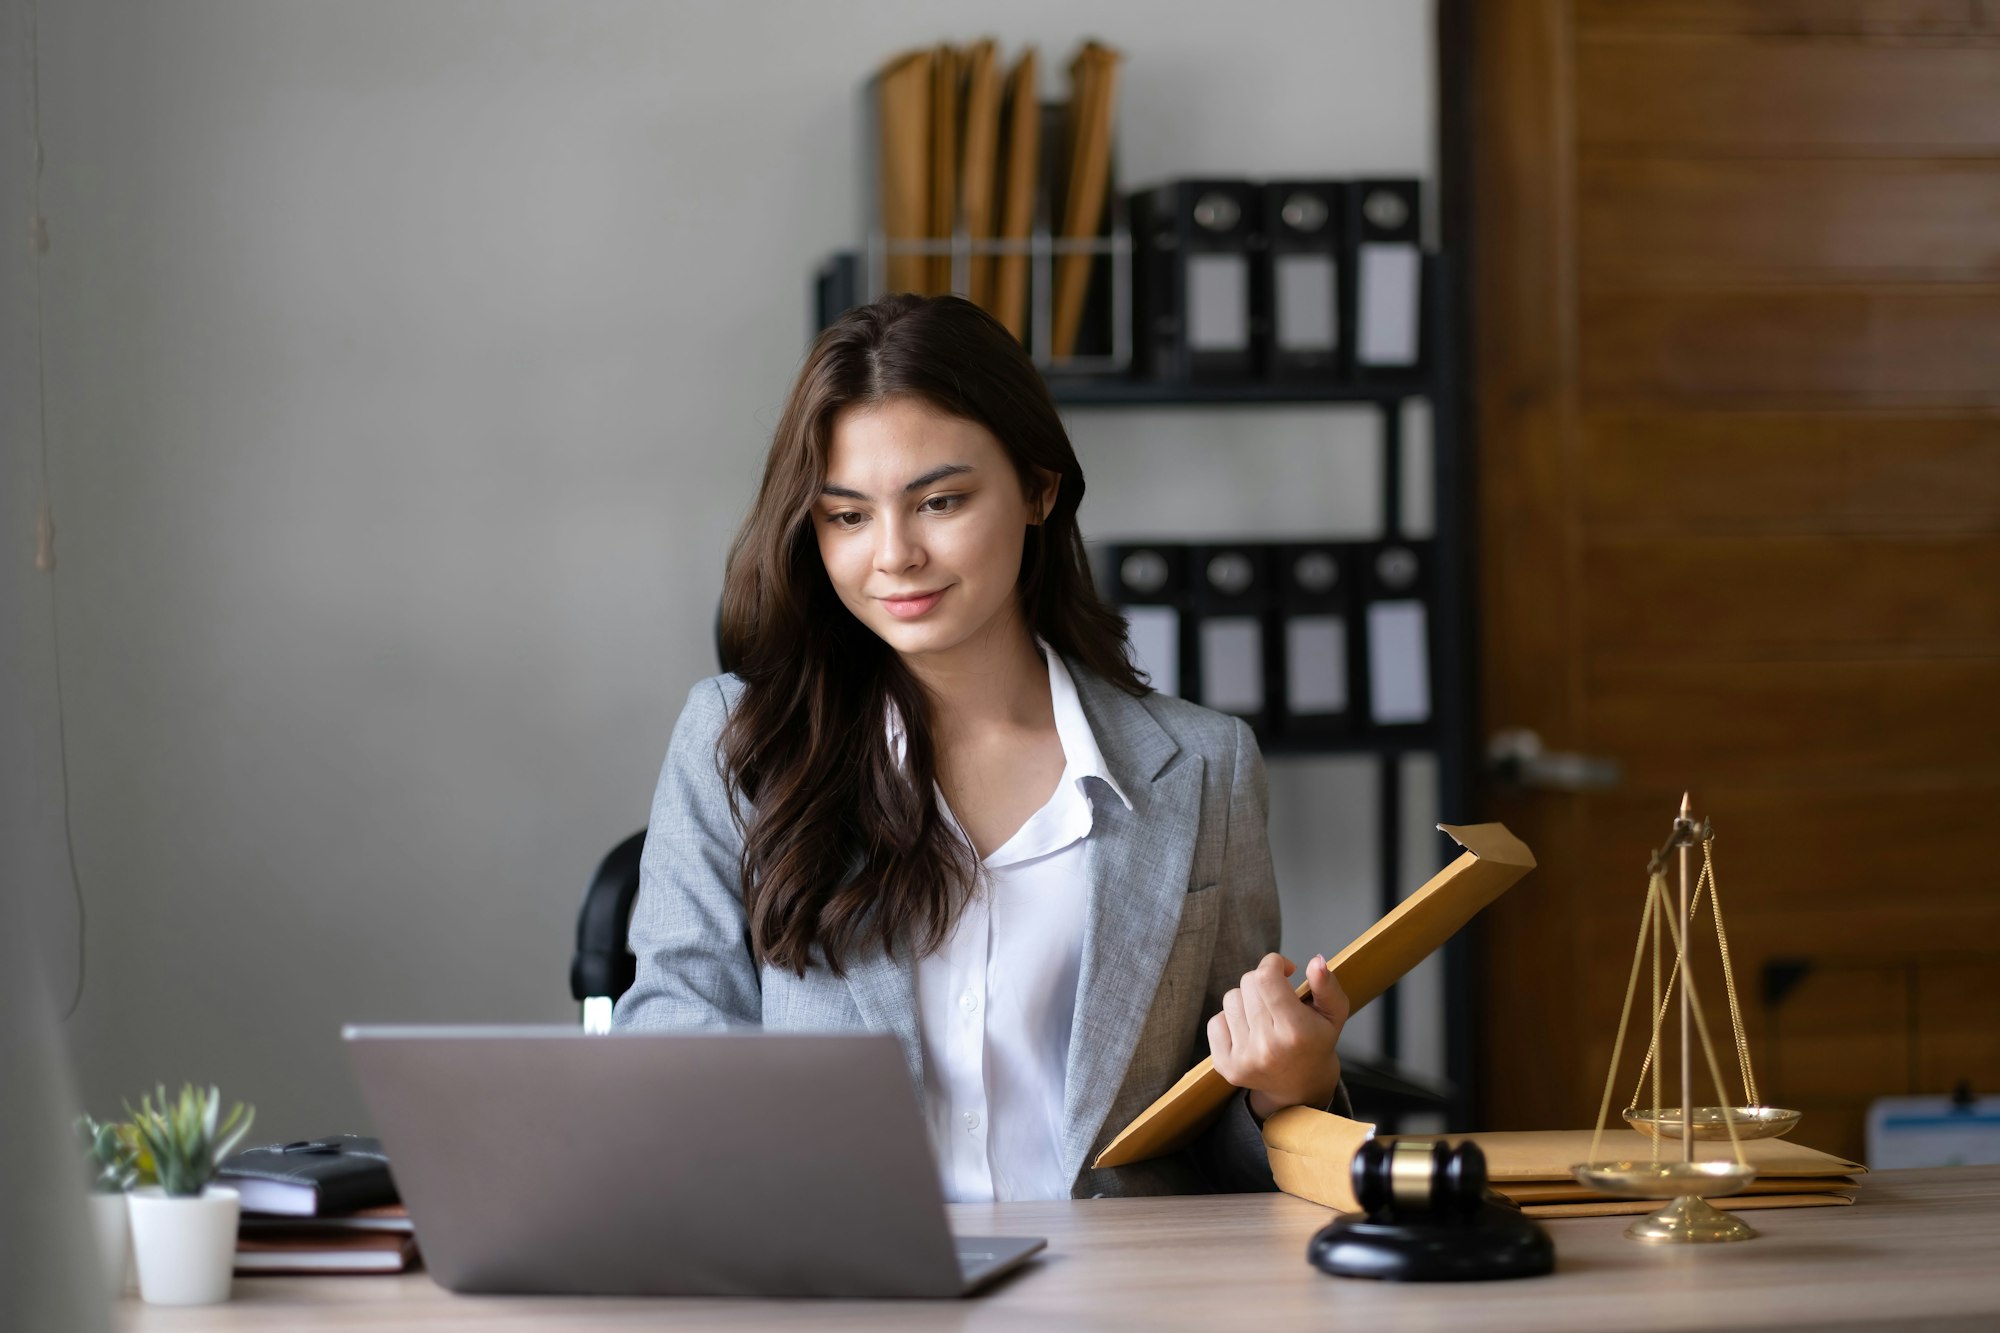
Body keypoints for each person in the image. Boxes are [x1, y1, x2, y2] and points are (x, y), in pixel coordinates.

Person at [614, 294, 1349, 1200]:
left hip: (1119, 1291)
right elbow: (672, 1071)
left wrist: (1291, 1092)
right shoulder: (739, 743)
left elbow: (1214, 1144)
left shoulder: (1203, 768)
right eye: (847, 516)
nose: (893, 555)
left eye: (941, 501)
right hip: (848, 1287)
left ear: (1040, 488)